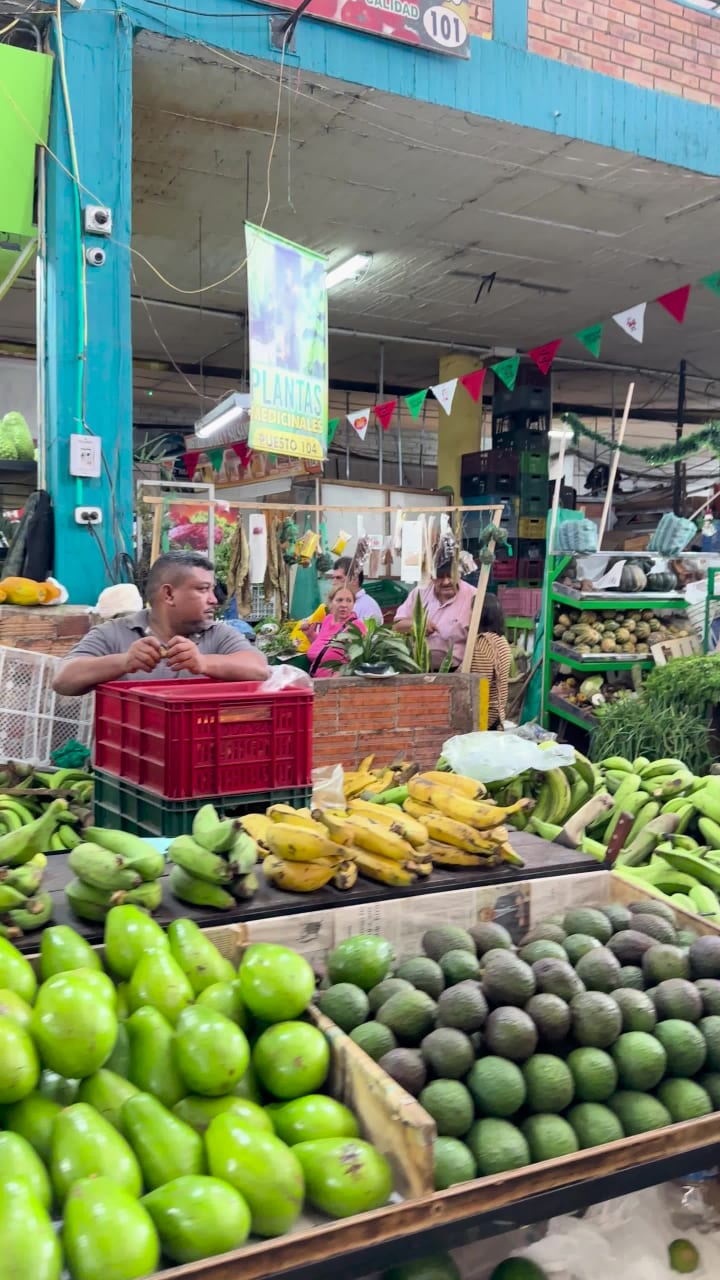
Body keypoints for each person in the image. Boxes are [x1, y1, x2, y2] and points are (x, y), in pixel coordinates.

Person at [52, 551, 269, 696]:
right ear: (169, 594)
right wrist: (125, 661)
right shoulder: (113, 633)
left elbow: (260, 669)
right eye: (203, 589)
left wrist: (203, 663)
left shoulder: (218, 633)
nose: (213, 599)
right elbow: (64, 679)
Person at [393, 561, 476, 671]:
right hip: (419, 669)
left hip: (458, 670)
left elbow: (483, 639)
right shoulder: (419, 593)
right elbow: (397, 625)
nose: (446, 582)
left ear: (459, 574)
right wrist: (417, 625)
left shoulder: (474, 597)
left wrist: (463, 670)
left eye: (451, 576)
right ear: (431, 577)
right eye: (439, 577)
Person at [469, 593, 512, 729]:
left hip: (485, 716)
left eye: (471, 611)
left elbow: (478, 685)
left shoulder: (484, 643)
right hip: (497, 713)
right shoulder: (500, 640)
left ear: (479, 615)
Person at [306, 583, 366, 678]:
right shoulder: (327, 619)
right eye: (339, 600)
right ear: (330, 602)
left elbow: (354, 662)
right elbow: (324, 648)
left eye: (349, 601)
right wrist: (310, 635)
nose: (344, 605)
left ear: (354, 604)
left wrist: (333, 684)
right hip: (314, 680)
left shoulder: (356, 626)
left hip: (333, 686)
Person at [327, 557, 383, 625]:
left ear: (354, 579)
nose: (334, 583)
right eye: (333, 578)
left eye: (339, 578)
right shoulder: (335, 602)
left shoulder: (369, 606)